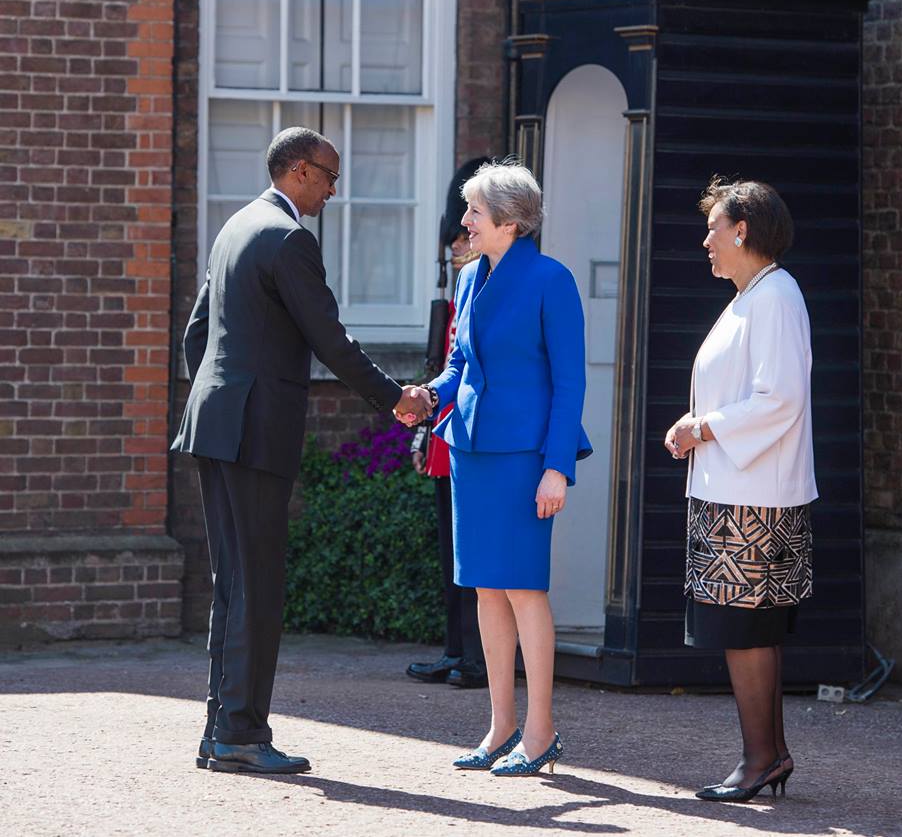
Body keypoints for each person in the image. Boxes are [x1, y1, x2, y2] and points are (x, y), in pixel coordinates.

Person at [171, 127, 429, 775]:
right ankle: (242, 733)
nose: (335, 190)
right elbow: (332, 340)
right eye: (329, 175)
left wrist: (216, 393)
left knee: (230, 581)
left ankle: (219, 726)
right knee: (257, 585)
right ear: (297, 170)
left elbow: (195, 336)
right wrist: (394, 398)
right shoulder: (289, 239)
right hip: (256, 430)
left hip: (214, 422)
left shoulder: (234, 227)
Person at [417, 161, 591, 777]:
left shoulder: (552, 280)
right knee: (486, 588)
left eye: (475, 213)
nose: (464, 222)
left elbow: (570, 384)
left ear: (511, 222)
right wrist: (428, 396)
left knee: (524, 589)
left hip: (524, 458)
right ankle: (501, 726)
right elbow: (460, 364)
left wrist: (556, 468)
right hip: (470, 450)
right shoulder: (467, 280)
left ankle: (540, 733)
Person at [664, 176, 817, 803]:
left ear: (742, 230)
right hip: (742, 486)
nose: (707, 241)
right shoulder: (756, 296)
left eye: (714, 229)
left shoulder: (773, 297)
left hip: (751, 496)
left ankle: (759, 760)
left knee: (745, 631)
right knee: (752, 631)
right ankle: (769, 756)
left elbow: (779, 397)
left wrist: (702, 426)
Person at [406, 158, 488, 689]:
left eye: (465, 232)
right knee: (450, 548)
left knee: (477, 548)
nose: (459, 242)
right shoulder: (461, 286)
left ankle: (479, 655)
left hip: (476, 428)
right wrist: (420, 428)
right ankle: (456, 648)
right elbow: (443, 366)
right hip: (445, 428)